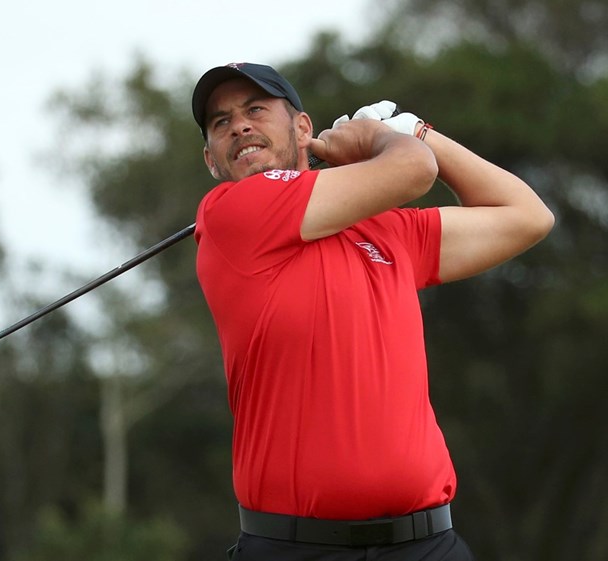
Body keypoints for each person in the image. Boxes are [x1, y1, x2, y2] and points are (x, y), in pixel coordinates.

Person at [190, 62, 555, 561]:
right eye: (221, 122)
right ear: (211, 159)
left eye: (256, 109)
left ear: (302, 128)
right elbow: (414, 169)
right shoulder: (231, 210)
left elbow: (528, 216)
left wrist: (417, 132)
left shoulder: (383, 230)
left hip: (426, 545)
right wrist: (382, 139)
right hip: (294, 548)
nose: (240, 126)